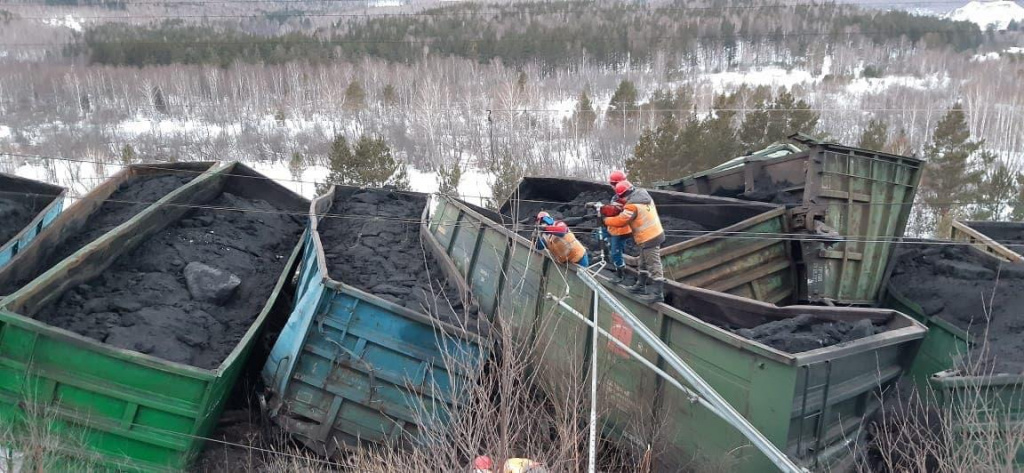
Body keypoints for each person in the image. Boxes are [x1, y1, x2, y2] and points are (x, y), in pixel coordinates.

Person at [602, 180, 665, 302]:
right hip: (649, 235)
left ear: (624, 195)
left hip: (650, 237)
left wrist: (606, 220)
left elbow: (621, 221)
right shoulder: (643, 196)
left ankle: (658, 294)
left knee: (653, 264)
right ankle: (640, 286)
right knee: (643, 263)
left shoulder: (632, 206)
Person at [603, 170, 634, 286]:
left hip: (621, 230)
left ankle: (620, 274)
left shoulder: (624, 196)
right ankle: (608, 258)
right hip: (615, 227)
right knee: (602, 236)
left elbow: (621, 215)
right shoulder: (623, 194)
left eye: (612, 184)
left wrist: (607, 214)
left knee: (616, 252)